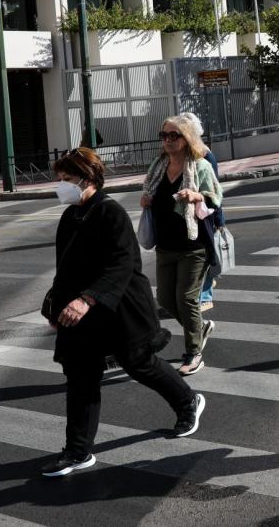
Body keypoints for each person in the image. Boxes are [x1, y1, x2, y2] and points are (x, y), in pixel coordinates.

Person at [43, 147, 205, 478]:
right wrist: (56, 306)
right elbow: (66, 267)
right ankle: (78, 451)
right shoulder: (71, 215)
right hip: (83, 311)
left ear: (87, 179)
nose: (61, 185)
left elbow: (122, 264)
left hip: (120, 306)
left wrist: (86, 300)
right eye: (60, 178)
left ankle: (188, 402)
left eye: (67, 178)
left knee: (139, 364)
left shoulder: (110, 212)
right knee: (81, 376)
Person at [141, 116, 222, 376]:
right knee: (165, 299)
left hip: (193, 245)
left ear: (186, 138)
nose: (168, 140)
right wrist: (146, 199)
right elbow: (151, 191)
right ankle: (199, 328)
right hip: (165, 245)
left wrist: (196, 195)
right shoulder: (158, 165)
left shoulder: (200, 166)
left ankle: (193, 353)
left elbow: (215, 198)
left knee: (186, 299)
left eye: (174, 135)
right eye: (164, 135)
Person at [180, 112, 225, 313]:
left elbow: (214, 191)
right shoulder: (184, 155)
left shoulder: (206, 156)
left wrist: (219, 220)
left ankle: (205, 296)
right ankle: (204, 287)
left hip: (205, 214)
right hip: (189, 216)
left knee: (203, 256)